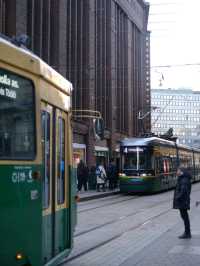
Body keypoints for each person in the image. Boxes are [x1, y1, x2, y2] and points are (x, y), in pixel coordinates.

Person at [173, 166, 192, 239]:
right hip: (183, 201)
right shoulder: (183, 179)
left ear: (182, 172)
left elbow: (183, 191)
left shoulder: (184, 180)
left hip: (183, 201)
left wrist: (177, 197)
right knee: (184, 216)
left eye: (178, 171)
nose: (176, 172)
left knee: (185, 217)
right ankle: (187, 232)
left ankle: (187, 233)